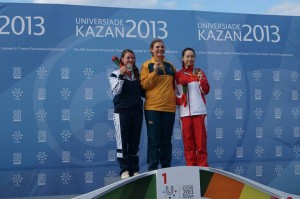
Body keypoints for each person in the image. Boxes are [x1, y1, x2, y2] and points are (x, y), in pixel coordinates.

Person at [140, 39, 176, 171]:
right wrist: (154, 73)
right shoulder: (146, 65)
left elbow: (175, 87)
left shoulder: (170, 66)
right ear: (151, 49)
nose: (160, 49)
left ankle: (166, 167)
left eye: (162, 47)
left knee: (167, 140)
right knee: (154, 140)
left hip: (169, 109)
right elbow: (144, 85)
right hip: (153, 108)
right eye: (157, 47)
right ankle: (153, 168)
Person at [109, 49, 144, 179]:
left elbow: (142, 92)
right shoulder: (115, 74)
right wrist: (122, 76)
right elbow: (116, 91)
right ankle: (124, 170)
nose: (130, 60)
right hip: (122, 112)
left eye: (132, 58)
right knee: (122, 141)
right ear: (122, 59)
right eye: (128, 58)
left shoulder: (137, 74)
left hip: (136, 112)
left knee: (134, 141)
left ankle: (134, 169)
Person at [175, 47, 210, 167]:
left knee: (201, 144)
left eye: (192, 56)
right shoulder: (177, 75)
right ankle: (191, 168)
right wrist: (181, 99)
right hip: (184, 114)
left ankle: (203, 168)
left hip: (199, 112)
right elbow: (173, 94)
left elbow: (206, 90)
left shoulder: (199, 72)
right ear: (183, 59)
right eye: (187, 56)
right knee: (188, 145)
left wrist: (201, 80)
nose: (190, 59)